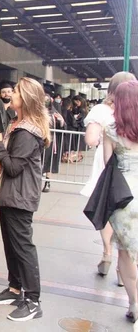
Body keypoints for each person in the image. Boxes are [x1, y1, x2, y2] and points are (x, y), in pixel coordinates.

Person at [0, 77, 50, 322]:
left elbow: (13, 167)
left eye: (15, 92)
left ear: (25, 99)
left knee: (22, 247)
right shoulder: (18, 124)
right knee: (12, 245)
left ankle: (33, 300)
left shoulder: (25, 131)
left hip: (20, 195)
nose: (10, 94)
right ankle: (15, 289)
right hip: (13, 194)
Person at [82, 72, 136, 283]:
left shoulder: (100, 110)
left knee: (108, 210)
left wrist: (106, 137)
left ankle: (107, 253)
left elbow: (90, 139)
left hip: (110, 169)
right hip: (131, 172)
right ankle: (125, 269)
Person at [102, 80, 138, 324]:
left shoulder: (111, 130)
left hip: (124, 195)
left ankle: (134, 303)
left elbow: (107, 166)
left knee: (126, 253)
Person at [42, 95, 65, 193]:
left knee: (48, 162)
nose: (45, 102)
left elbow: (62, 127)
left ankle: (47, 182)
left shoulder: (54, 113)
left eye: (47, 100)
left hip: (51, 141)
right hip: (38, 140)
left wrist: (61, 121)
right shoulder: (37, 112)